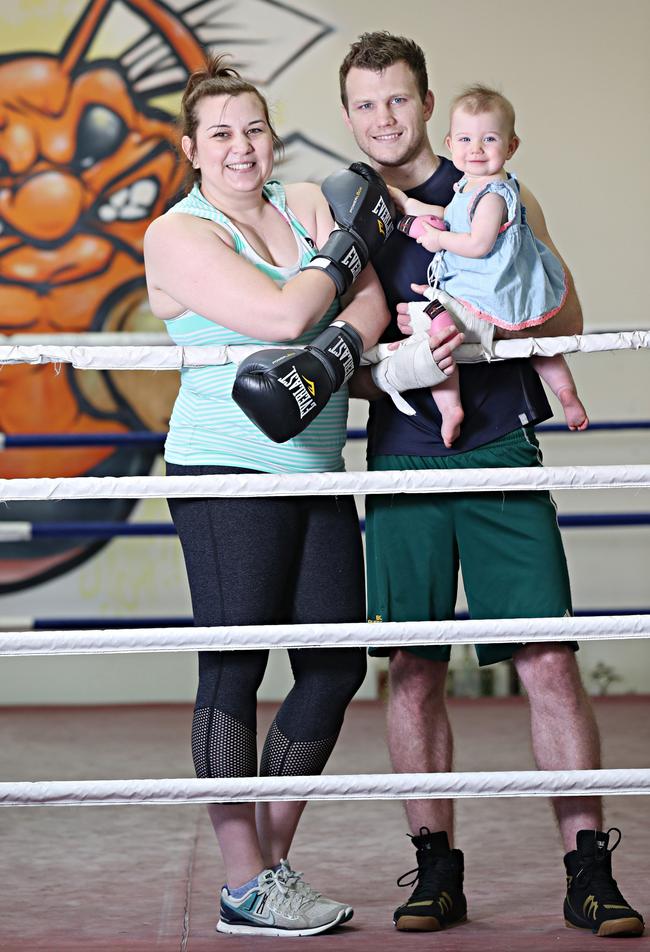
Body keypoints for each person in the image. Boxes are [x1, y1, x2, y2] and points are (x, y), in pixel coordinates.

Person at [339, 31, 644, 938]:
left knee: (548, 659)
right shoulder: (345, 216)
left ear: (427, 103)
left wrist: (475, 333)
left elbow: (565, 313)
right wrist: (396, 368)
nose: (382, 119)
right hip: (399, 458)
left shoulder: (494, 187)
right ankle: (436, 871)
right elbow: (339, 365)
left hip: (501, 447)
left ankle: (590, 871)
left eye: (397, 99)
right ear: (348, 115)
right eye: (363, 104)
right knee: (413, 669)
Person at [143, 53, 399, 938]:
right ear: (193, 149)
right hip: (223, 470)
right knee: (235, 667)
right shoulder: (180, 232)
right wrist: (324, 311)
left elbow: (366, 304)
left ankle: (270, 862)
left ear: (271, 133)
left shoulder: (307, 202)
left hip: (315, 468)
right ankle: (242, 879)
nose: (242, 146)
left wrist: (335, 349)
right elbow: (284, 318)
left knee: (333, 664)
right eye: (221, 133)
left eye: (253, 127)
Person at [390, 84, 588, 447]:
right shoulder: (469, 187)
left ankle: (451, 409)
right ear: (450, 144)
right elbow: (453, 219)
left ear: (511, 147)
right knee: (534, 345)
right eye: (465, 139)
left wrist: (438, 241)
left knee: (433, 330)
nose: (476, 149)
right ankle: (565, 393)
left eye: (489, 139)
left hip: (488, 293)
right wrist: (410, 206)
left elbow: (477, 243)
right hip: (498, 292)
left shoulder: (494, 193)